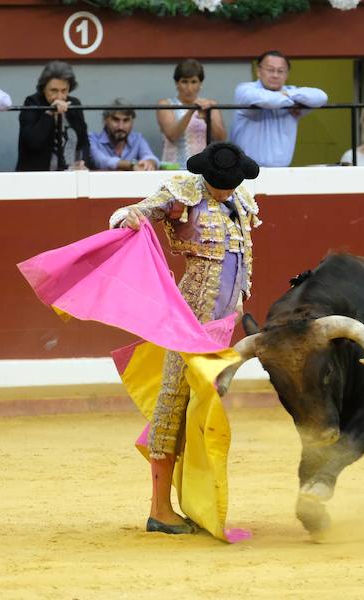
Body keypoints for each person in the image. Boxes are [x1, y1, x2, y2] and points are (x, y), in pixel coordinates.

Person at [108, 142, 260, 534]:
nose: (226, 189)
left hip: (222, 326)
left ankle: (194, 501)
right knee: (174, 402)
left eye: (231, 183)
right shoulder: (184, 192)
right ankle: (160, 509)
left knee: (201, 410)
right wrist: (126, 218)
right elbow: (137, 212)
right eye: (220, 183)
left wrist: (240, 302)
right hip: (188, 320)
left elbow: (239, 258)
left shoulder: (241, 198)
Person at [230, 50, 328, 167]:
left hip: (281, 171)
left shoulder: (291, 92)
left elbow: (321, 97)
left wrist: (289, 95)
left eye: (281, 71)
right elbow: (267, 100)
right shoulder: (245, 89)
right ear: (258, 71)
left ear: (286, 75)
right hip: (245, 170)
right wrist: (292, 100)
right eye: (270, 70)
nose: (275, 75)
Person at [16, 61, 90, 171]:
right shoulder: (32, 103)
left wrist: (83, 162)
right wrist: (51, 114)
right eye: (54, 91)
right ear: (43, 88)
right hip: (38, 178)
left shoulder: (74, 104)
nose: (59, 96)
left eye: (64, 90)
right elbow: (33, 143)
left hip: (70, 176)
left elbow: (83, 142)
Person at [157, 59, 227, 169]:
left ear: (200, 84)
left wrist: (207, 118)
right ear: (177, 83)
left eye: (194, 82)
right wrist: (191, 110)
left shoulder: (210, 105)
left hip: (204, 168)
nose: (189, 88)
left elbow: (221, 138)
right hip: (173, 168)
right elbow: (172, 136)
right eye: (184, 81)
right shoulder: (165, 104)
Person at [90, 98, 159, 171]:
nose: (121, 126)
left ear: (132, 122)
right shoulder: (93, 139)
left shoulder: (137, 139)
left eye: (126, 120)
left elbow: (150, 156)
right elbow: (101, 161)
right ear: (105, 120)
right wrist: (132, 165)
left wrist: (149, 163)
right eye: (116, 120)